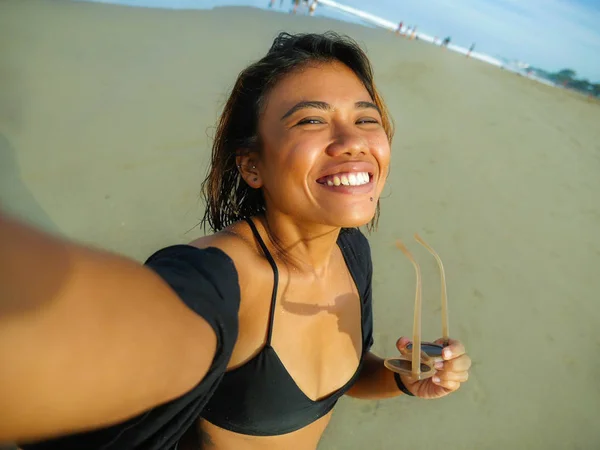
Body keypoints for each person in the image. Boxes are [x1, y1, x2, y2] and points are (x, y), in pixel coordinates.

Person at [1, 32, 471, 450]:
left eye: (366, 120)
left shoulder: (351, 251)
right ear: (252, 166)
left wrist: (405, 378)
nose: (352, 140)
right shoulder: (220, 281)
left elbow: (348, 377)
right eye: (311, 120)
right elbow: (85, 345)